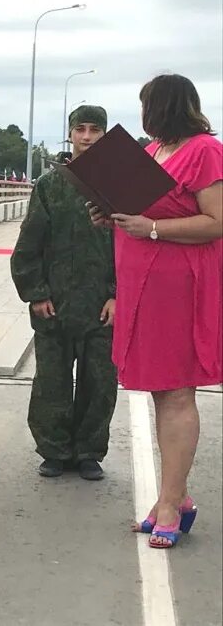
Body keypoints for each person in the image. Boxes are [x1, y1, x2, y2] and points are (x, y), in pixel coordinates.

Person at [90, 74, 221, 548]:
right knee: (159, 392)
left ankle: (169, 503)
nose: (143, 113)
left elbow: (217, 221)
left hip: (177, 284)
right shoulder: (150, 153)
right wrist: (111, 213)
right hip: (140, 282)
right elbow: (139, 210)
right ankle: (176, 497)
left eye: (147, 104)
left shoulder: (204, 150)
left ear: (166, 106)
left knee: (178, 391)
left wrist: (152, 228)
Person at [10, 105, 117, 481]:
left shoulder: (120, 184)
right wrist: (36, 292)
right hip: (53, 303)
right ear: (70, 134)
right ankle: (54, 450)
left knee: (99, 383)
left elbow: (133, 248)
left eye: (95, 130)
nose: (87, 137)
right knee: (51, 382)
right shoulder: (51, 185)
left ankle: (89, 451)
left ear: (106, 135)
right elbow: (28, 245)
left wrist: (118, 295)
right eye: (81, 129)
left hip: (102, 306)